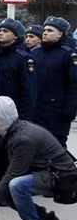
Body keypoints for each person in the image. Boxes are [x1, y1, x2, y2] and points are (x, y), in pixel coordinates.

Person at [0, 96, 71, 220]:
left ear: (1, 121)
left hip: (62, 177)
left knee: (16, 186)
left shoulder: (22, 139)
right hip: (54, 173)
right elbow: (12, 172)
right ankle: (45, 219)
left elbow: (13, 175)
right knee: (8, 188)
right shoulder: (17, 132)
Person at [0, 19, 37, 183]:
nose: (0, 33)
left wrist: (24, 116)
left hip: (13, 110)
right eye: (0, 30)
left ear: (16, 36)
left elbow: (28, 90)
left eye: (6, 31)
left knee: (10, 144)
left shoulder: (23, 58)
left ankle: (9, 176)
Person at [33, 16, 77, 147]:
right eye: (44, 29)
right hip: (36, 110)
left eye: (50, 30)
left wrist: (69, 111)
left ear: (60, 34)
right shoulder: (35, 54)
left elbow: (73, 85)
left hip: (56, 113)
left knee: (55, 147)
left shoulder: (68, 55)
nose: (45, 32)